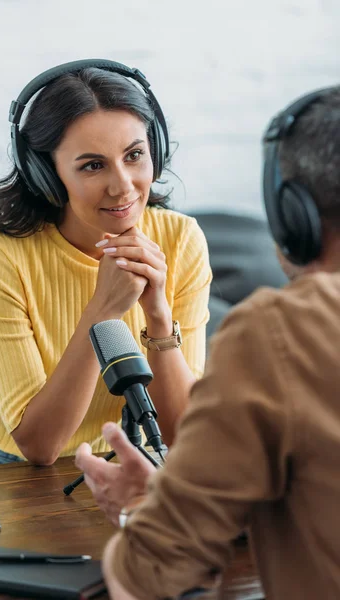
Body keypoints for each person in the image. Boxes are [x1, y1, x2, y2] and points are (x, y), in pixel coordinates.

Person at [75, 85, 340, 600]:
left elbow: (151, 572)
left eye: (134, 155)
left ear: (291, 213)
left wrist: (144, 509)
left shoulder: (282, 330)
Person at [0, 59, 211, 467]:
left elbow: (182, 435)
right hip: (18, 471)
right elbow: (40, 446)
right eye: (93, 165)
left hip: (137, 457)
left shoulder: (181, 240)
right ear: (47, 174)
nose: (123, 186)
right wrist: (103, 310)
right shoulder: (0, 254)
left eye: (134, 155)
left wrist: (158, 314)